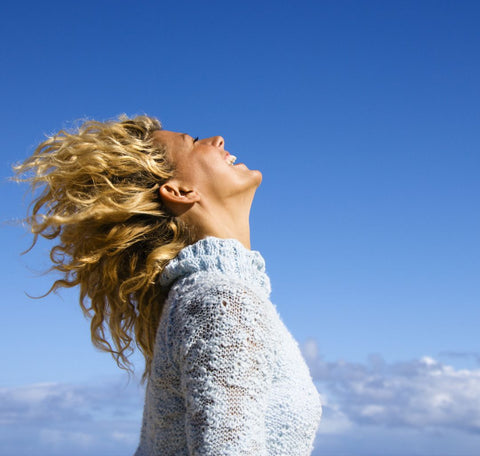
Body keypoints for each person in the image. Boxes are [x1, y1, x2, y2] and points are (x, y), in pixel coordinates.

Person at [15, 115, 322, 455]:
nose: (218, 139)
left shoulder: (204, 296)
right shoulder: (223, 300)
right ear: (179, 192)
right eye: (194, 142)